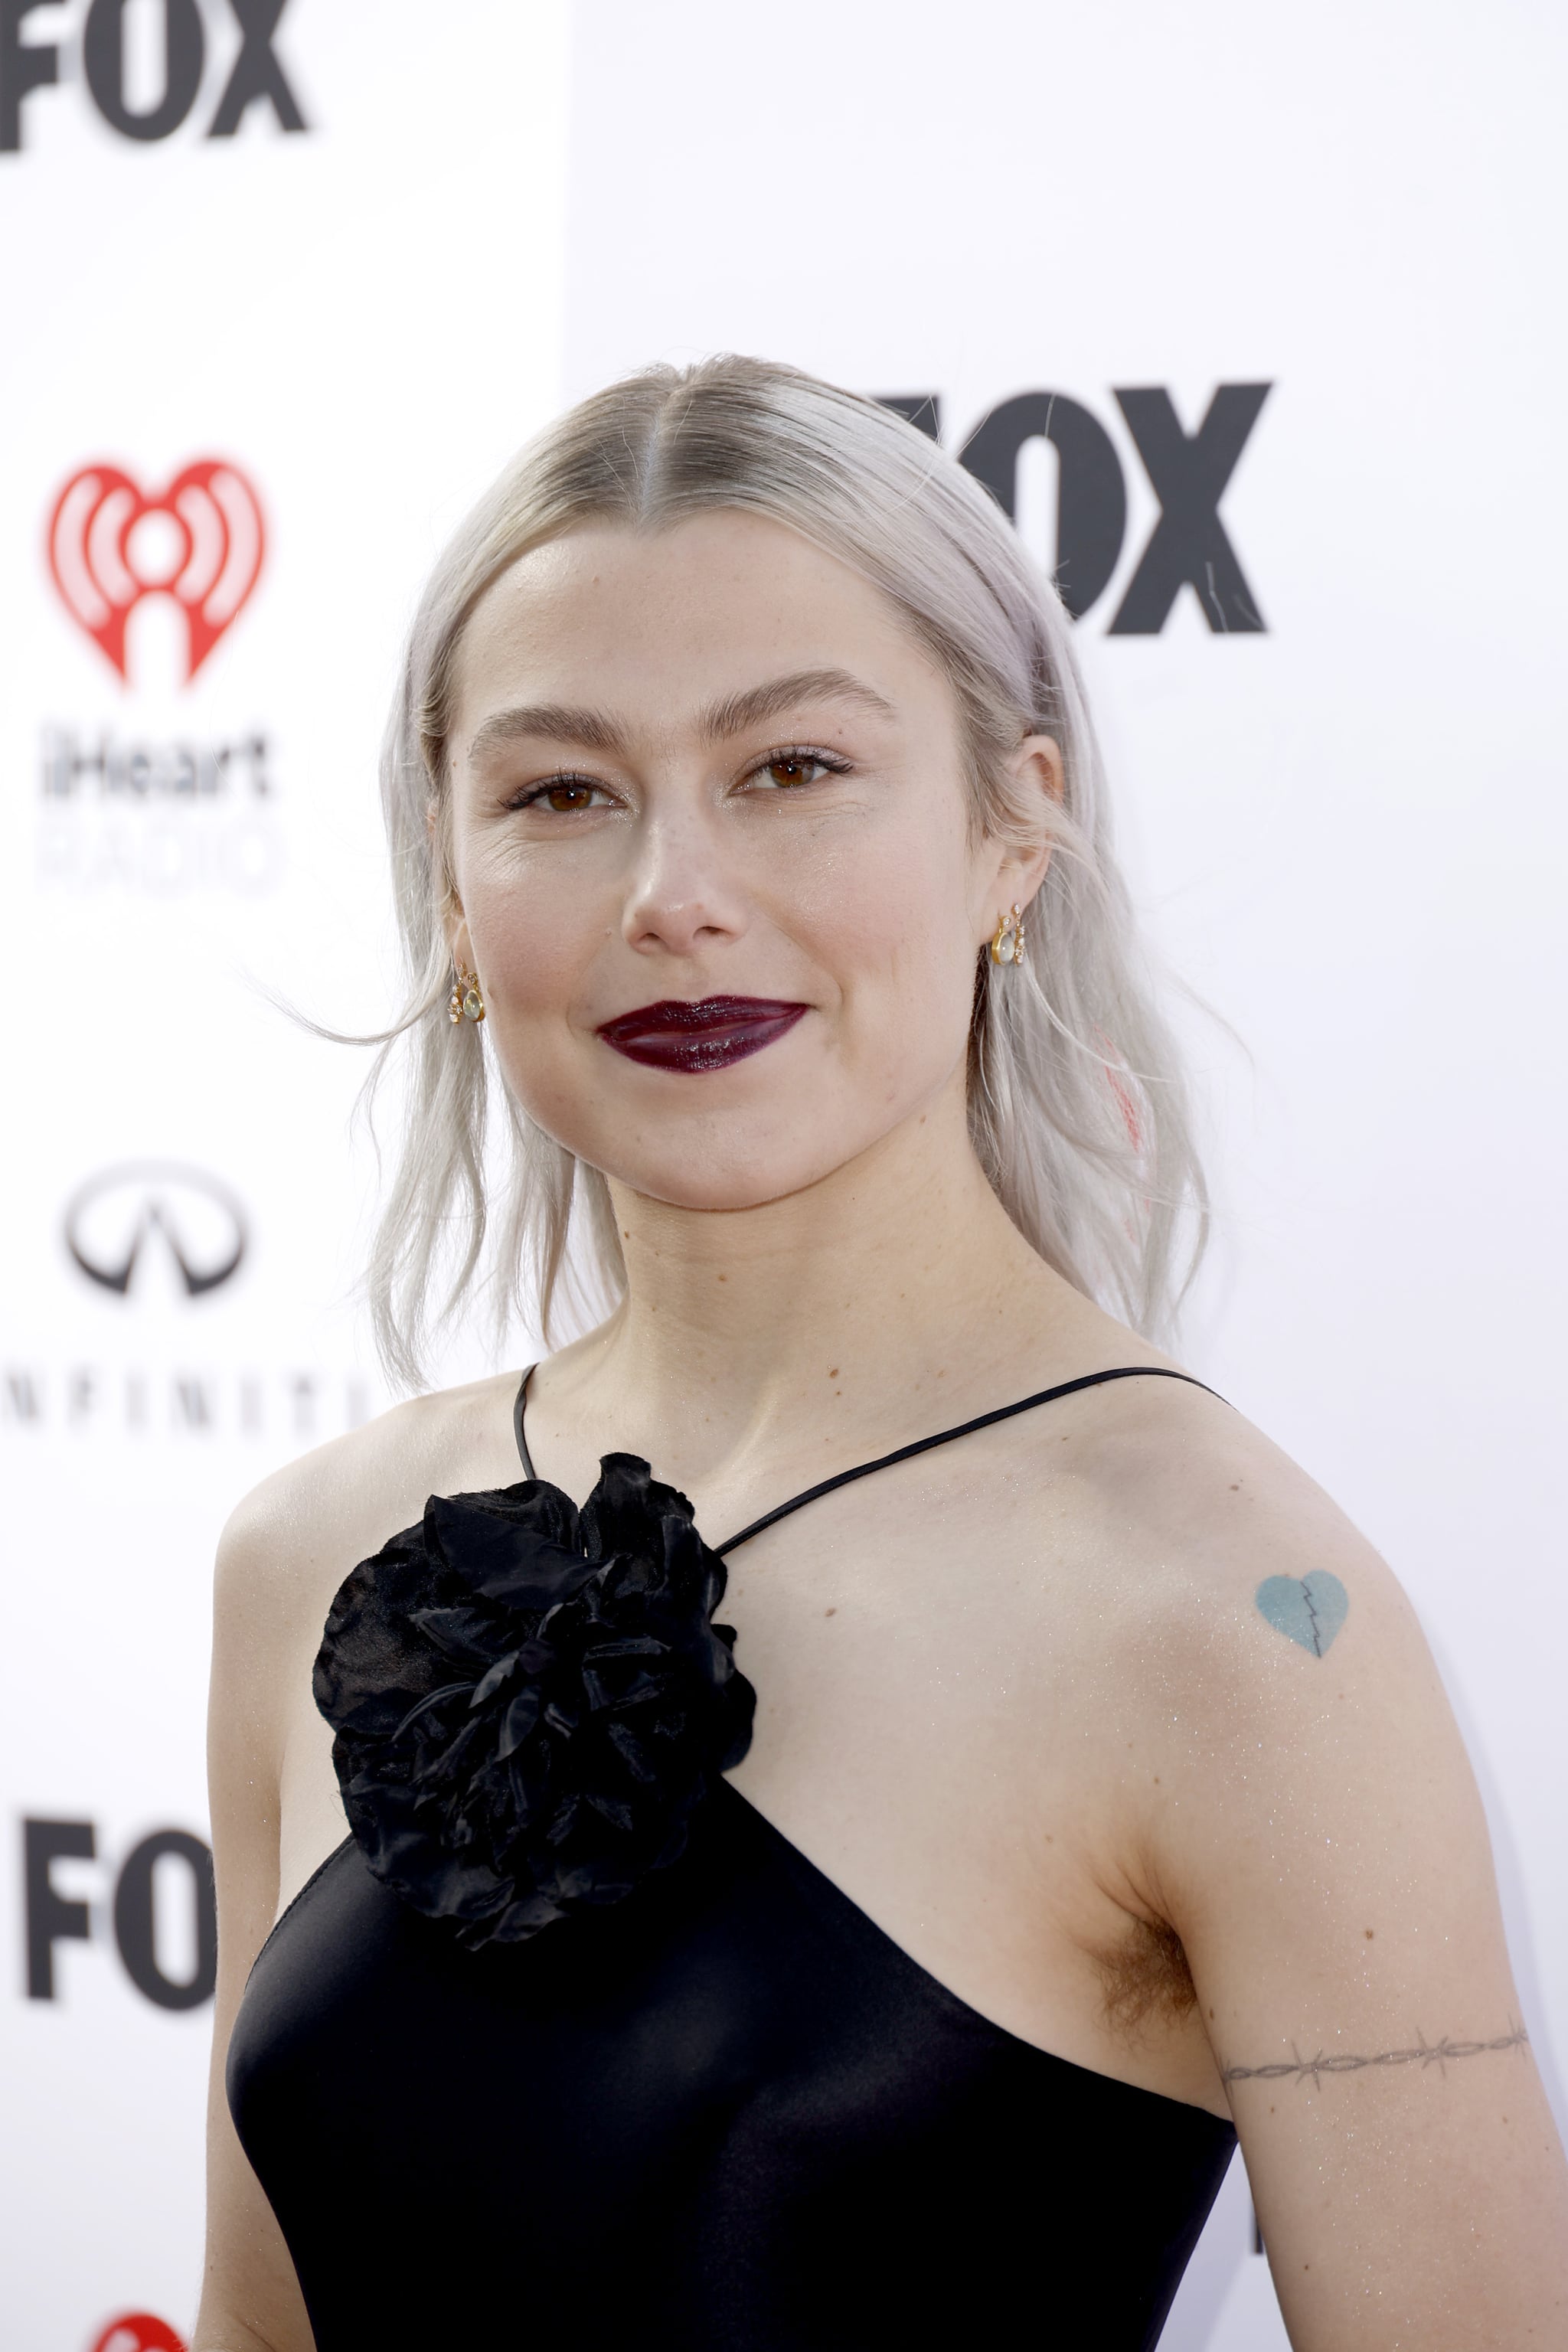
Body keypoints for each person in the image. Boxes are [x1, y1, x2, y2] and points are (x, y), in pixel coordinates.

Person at [196, 358, 1568, 2352]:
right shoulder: (305, 1555)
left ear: (1015, 828)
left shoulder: (1229, 1618)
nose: (675, 897)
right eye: (562, 792)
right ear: (455, 887)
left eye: (792, 768)